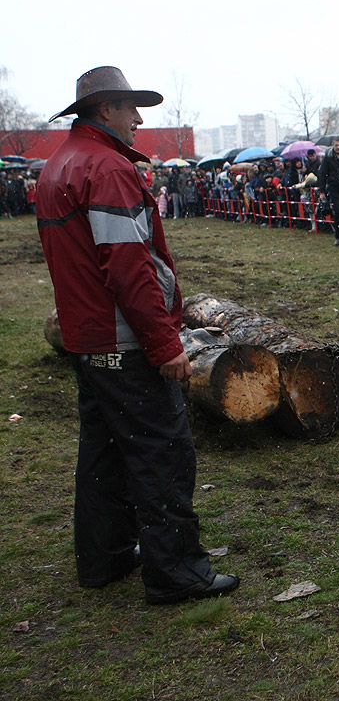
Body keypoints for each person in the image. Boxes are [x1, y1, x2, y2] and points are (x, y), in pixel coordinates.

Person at [35, 66, 239, 603]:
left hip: (89, 338)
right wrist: (164, 344)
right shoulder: (106, 168)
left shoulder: (60, 165)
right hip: (124, 342)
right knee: (162, 454)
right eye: (131, 109)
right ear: (106, 109)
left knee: (102, 454)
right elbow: (129, 266)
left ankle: (104, 559)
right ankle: (177, 573)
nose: (139, 119)